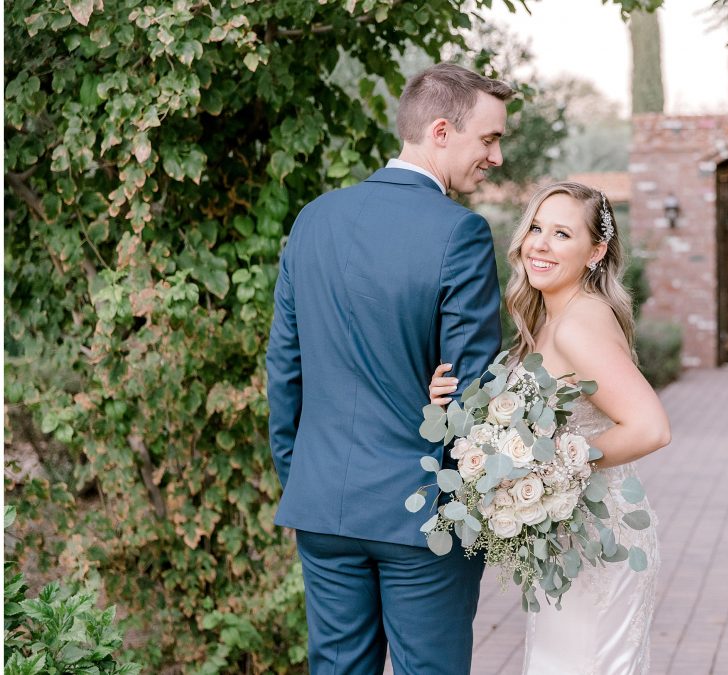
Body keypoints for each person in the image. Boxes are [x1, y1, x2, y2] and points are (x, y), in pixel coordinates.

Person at [266, 63, 513, 674]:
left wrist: (305, 478)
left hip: (323, 503)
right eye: (489, 138)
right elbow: (473, 393)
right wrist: (466, 504)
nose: (497, 157)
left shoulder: (314, 218)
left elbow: (285, 370)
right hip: (423, 514)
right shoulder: (460, 233)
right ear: (440, 131)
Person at [429, 181, 671, 674]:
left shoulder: (579, 322)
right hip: (571, 538)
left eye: (562, 234)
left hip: (599, 541)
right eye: (536, 228)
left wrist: (554, 469)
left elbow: (650, 427)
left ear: (595, 251)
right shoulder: (550, 318)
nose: (539, 243)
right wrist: (452, 402)